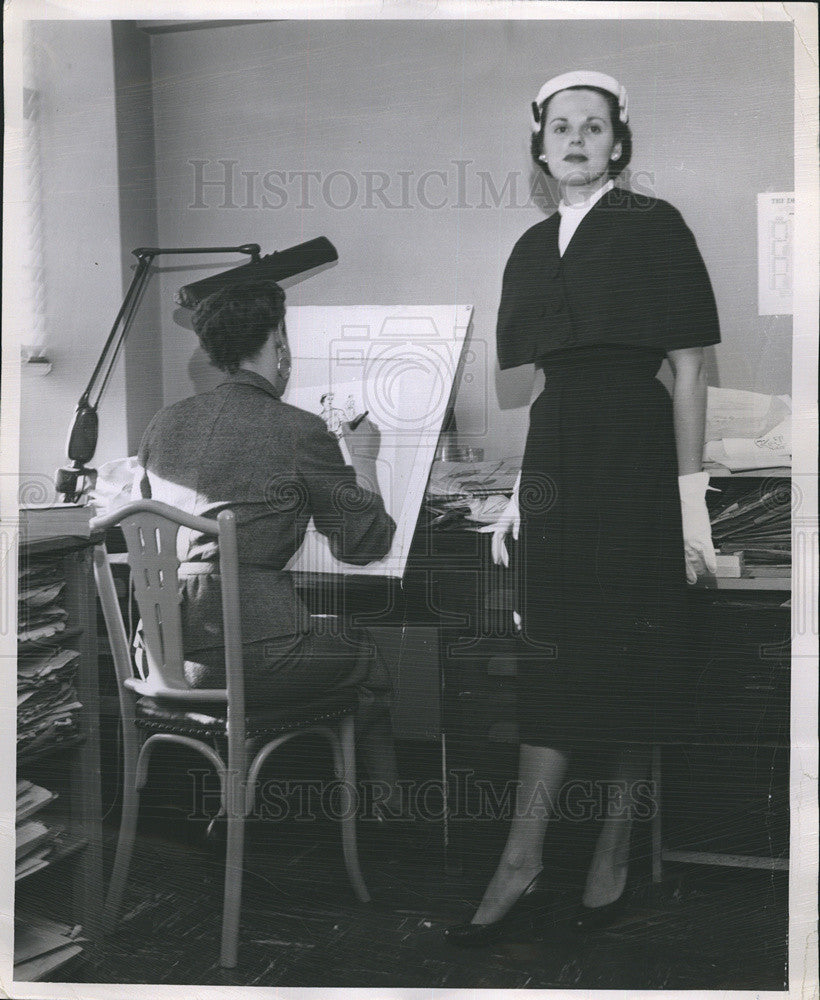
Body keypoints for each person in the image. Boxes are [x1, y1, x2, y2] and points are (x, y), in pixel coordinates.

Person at [445, 70, 720, 945]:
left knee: (638, 657)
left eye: (592, 127)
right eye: (559, 127)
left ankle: (612, 851)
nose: (575, 139)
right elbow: (533, 388)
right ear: (539, 144)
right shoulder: (530, 247)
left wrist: (691, 507)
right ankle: (522, 859)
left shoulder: (655, 225)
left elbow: (689, 371)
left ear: (617, 142)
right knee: (554, 662)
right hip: (560, 455)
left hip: (636, 457)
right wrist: (524, 493)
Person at [133, 279, 402, 812]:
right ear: (280, 347)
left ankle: (247, 797)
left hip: (159, 656)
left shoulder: (163, 424)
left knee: (309, 638)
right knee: (366, 652)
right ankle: (390, 814)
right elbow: (364, 542)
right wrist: (364, 458)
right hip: (244, 660)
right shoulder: (298, 431)